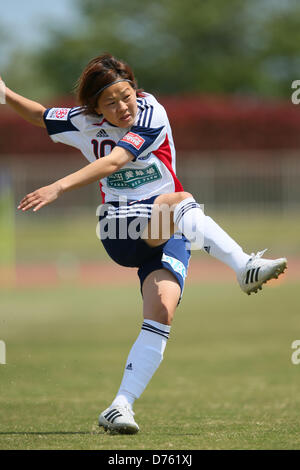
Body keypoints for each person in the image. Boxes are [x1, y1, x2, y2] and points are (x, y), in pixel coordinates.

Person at [0, 54, 287, 434]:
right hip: (120, 228)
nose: (123, 107)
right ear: (94, 107)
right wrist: (6, 94)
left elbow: (116, 160)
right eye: (111, 102)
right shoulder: (82, 121)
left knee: (162, 312)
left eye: (126, 95)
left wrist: (58, 184)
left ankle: (119, 407)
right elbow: (40, 115)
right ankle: (244, 266)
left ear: (135, 88)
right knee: (181, 200)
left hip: (169, 231)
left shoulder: (151, 111)